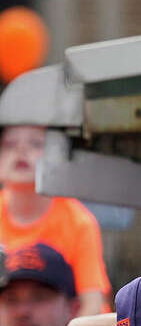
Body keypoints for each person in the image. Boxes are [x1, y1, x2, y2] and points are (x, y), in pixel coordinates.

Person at [0, 126, 110, 314]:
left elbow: (92, 304)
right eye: (10, 145)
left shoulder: (79, 222)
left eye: (36, 144)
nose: (21, 151)